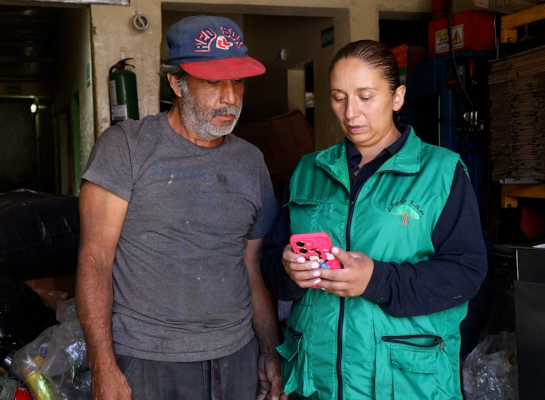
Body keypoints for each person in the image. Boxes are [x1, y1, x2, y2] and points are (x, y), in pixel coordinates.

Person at [261, 40, 488, 399]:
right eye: (339, 97)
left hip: (403, 383)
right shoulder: (309, 170)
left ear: (397, 98)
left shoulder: (441, 172)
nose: (351, 113)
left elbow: (466, 272)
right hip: (317, 382)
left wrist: (376, 280)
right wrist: (289, 274)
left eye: (365, 96)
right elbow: (272, 262)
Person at [76, 15, 286, 400]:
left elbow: (251, 268)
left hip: (235, 356)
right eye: (212, 82)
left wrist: (270, 352)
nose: (231, 98)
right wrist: (103, 364)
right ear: (175, 81)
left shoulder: (251, 162)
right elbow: (95, 259)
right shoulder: (126, 148)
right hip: (146, 361)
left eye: (237, 81)